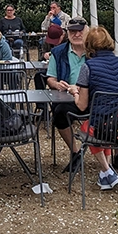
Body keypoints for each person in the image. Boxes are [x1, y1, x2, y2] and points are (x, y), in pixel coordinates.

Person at [66, 26, 118, 190]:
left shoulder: (88, 67)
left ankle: (107, 171)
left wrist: (74, 92)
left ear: (89, 45)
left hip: (105, 127)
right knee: (100, 125)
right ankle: (106, 174)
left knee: (89, 127)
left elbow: (82, 105)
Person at [47, 17, 90, 173]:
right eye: (73, 31)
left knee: (112, 107)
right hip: (68, 99)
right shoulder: (57, 52)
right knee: (59, 113)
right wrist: (57, 84)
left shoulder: (96, 51)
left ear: (87, 31)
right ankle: (75, 152)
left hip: (91, 97)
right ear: (67, 33)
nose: (77, 34)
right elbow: (50, 79)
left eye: (80, 31)